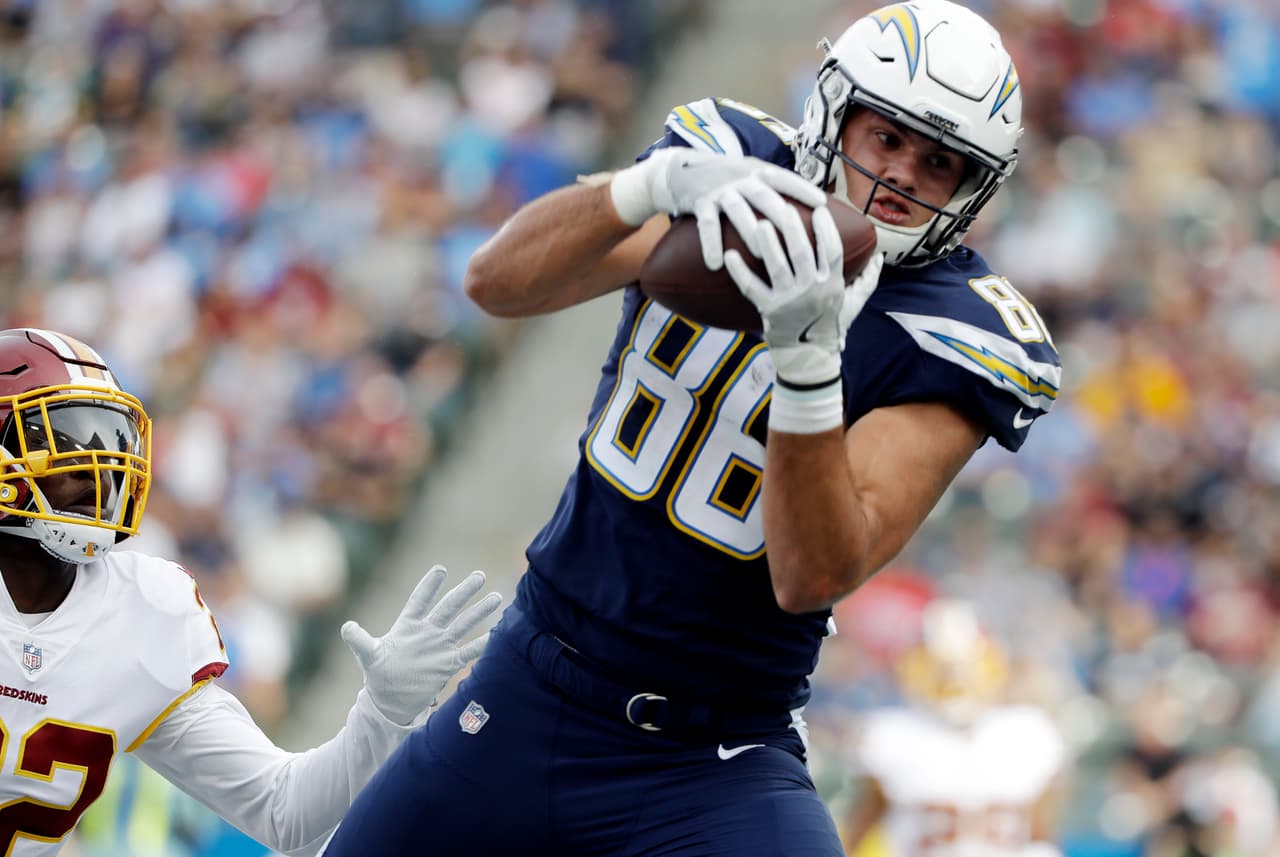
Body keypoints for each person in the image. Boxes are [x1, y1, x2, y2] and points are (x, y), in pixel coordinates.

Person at [324, 2, 1062, 855]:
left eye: (939, 162)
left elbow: (812, 572)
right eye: (886, 136)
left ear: (973, 187)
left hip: (710, 761)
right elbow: (496, 283)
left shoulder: (956, 329)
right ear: (835, 109)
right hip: (530, 683)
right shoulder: (732, 167)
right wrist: (645, 188)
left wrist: (807, 359)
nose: (901, 174)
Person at [0, 327, 502, 856]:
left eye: (109, 439)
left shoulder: (141, 613)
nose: (98, 467)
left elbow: (283, 810)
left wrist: (384, 712)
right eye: (65, 439)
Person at [840, 599, 1068, 857]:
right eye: (941, 668)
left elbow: (1041, 830)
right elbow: (862, 824)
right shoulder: (891, 734)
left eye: (964, 667)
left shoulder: (1027, 732)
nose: (954, 679)